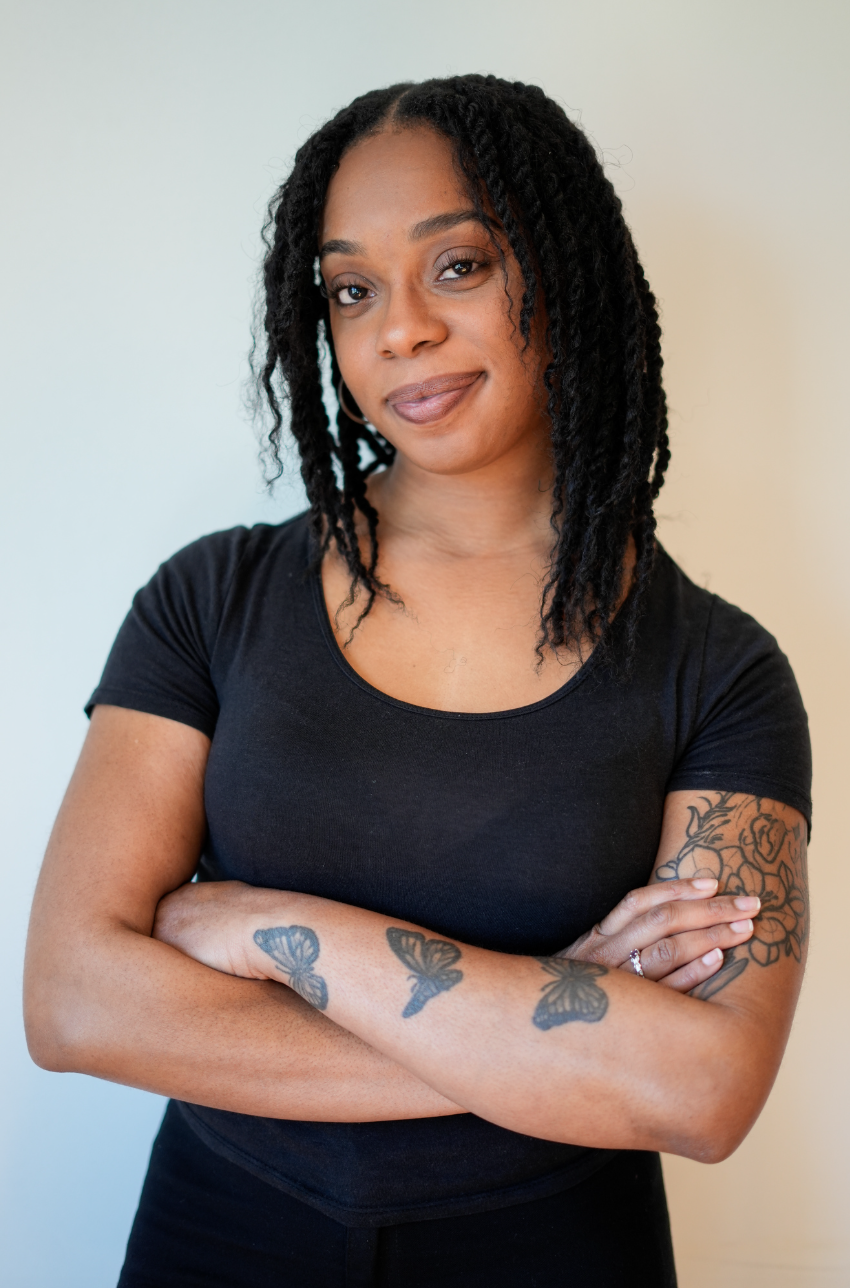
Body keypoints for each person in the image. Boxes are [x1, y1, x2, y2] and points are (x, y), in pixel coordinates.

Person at [23, 76, 811, 1288]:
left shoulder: (721, 671)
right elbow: (73, 1002)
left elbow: (700, 1093)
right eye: (351, 289)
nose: (398, 330)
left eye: (457, 266)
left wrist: (263, 929)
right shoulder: (213, 599)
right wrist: (558, 1019)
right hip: (217, 1242)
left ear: (564, 269)